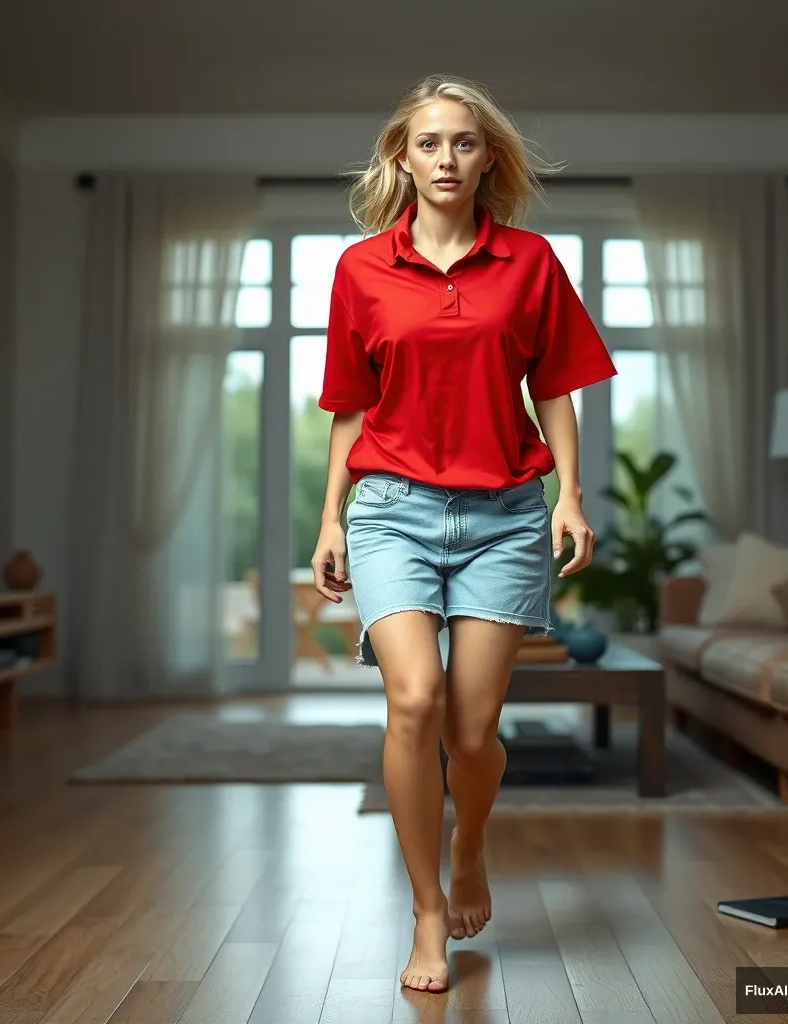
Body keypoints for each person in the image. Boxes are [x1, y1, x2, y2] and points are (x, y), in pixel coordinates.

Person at [311, 73, 617, 994]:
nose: (448, 159)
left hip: (505, 515)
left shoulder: (529, 263)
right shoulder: (361, 269)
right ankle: (429, 911)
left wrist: (569, 494)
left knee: (473, 733)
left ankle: (470, 843)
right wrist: (329, 516)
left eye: (466, 143)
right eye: (430, 143)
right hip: (393, 509)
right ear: (402, 158)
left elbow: (553, 388)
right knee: (414, 700)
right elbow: (349, 409)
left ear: (489, 158)